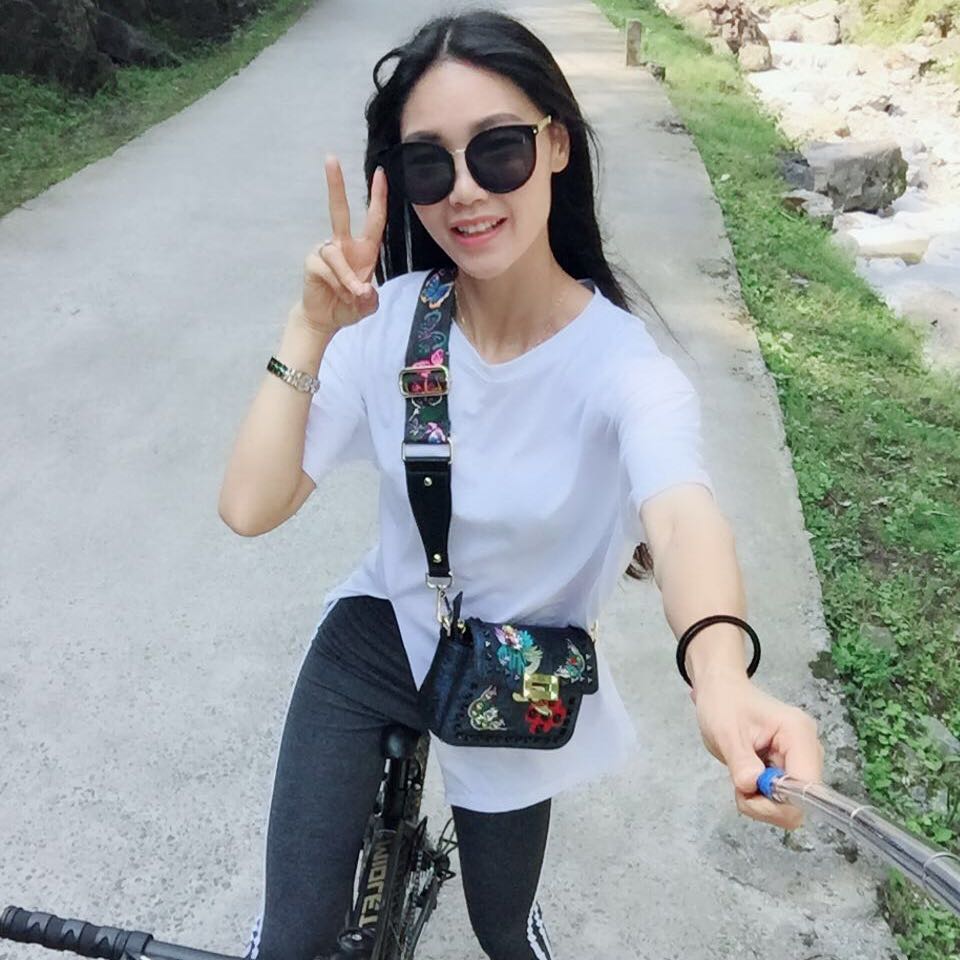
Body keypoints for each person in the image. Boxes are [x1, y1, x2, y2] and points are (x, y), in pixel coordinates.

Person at [218, 10, 825, 960]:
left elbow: (682, 516)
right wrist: (311, 328)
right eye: (429, 165)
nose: (465, 190)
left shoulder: (623, 370)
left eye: (498, 149)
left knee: (502, 931)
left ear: (556, 146)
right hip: (380, 637)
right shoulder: (392, 326)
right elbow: (250, 506)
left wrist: (721, 675)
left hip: (520, 674)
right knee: (290, 940)